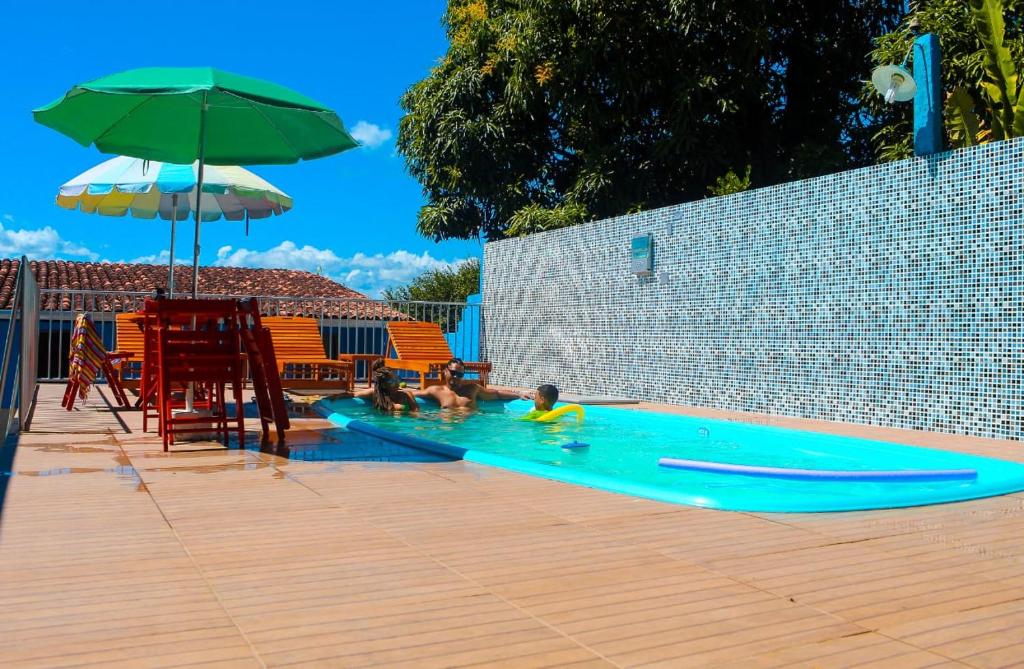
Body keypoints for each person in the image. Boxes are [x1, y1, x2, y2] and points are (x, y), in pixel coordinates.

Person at [413, 358, 527, 409]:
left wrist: (519, 394)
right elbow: (413, 393)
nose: (456, 377)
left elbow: (497, 394)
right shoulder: (436, 391)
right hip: (448, 430)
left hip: (471, 428)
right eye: (453, 373)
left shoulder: (472, 389)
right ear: (445, 371)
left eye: (460, 374)